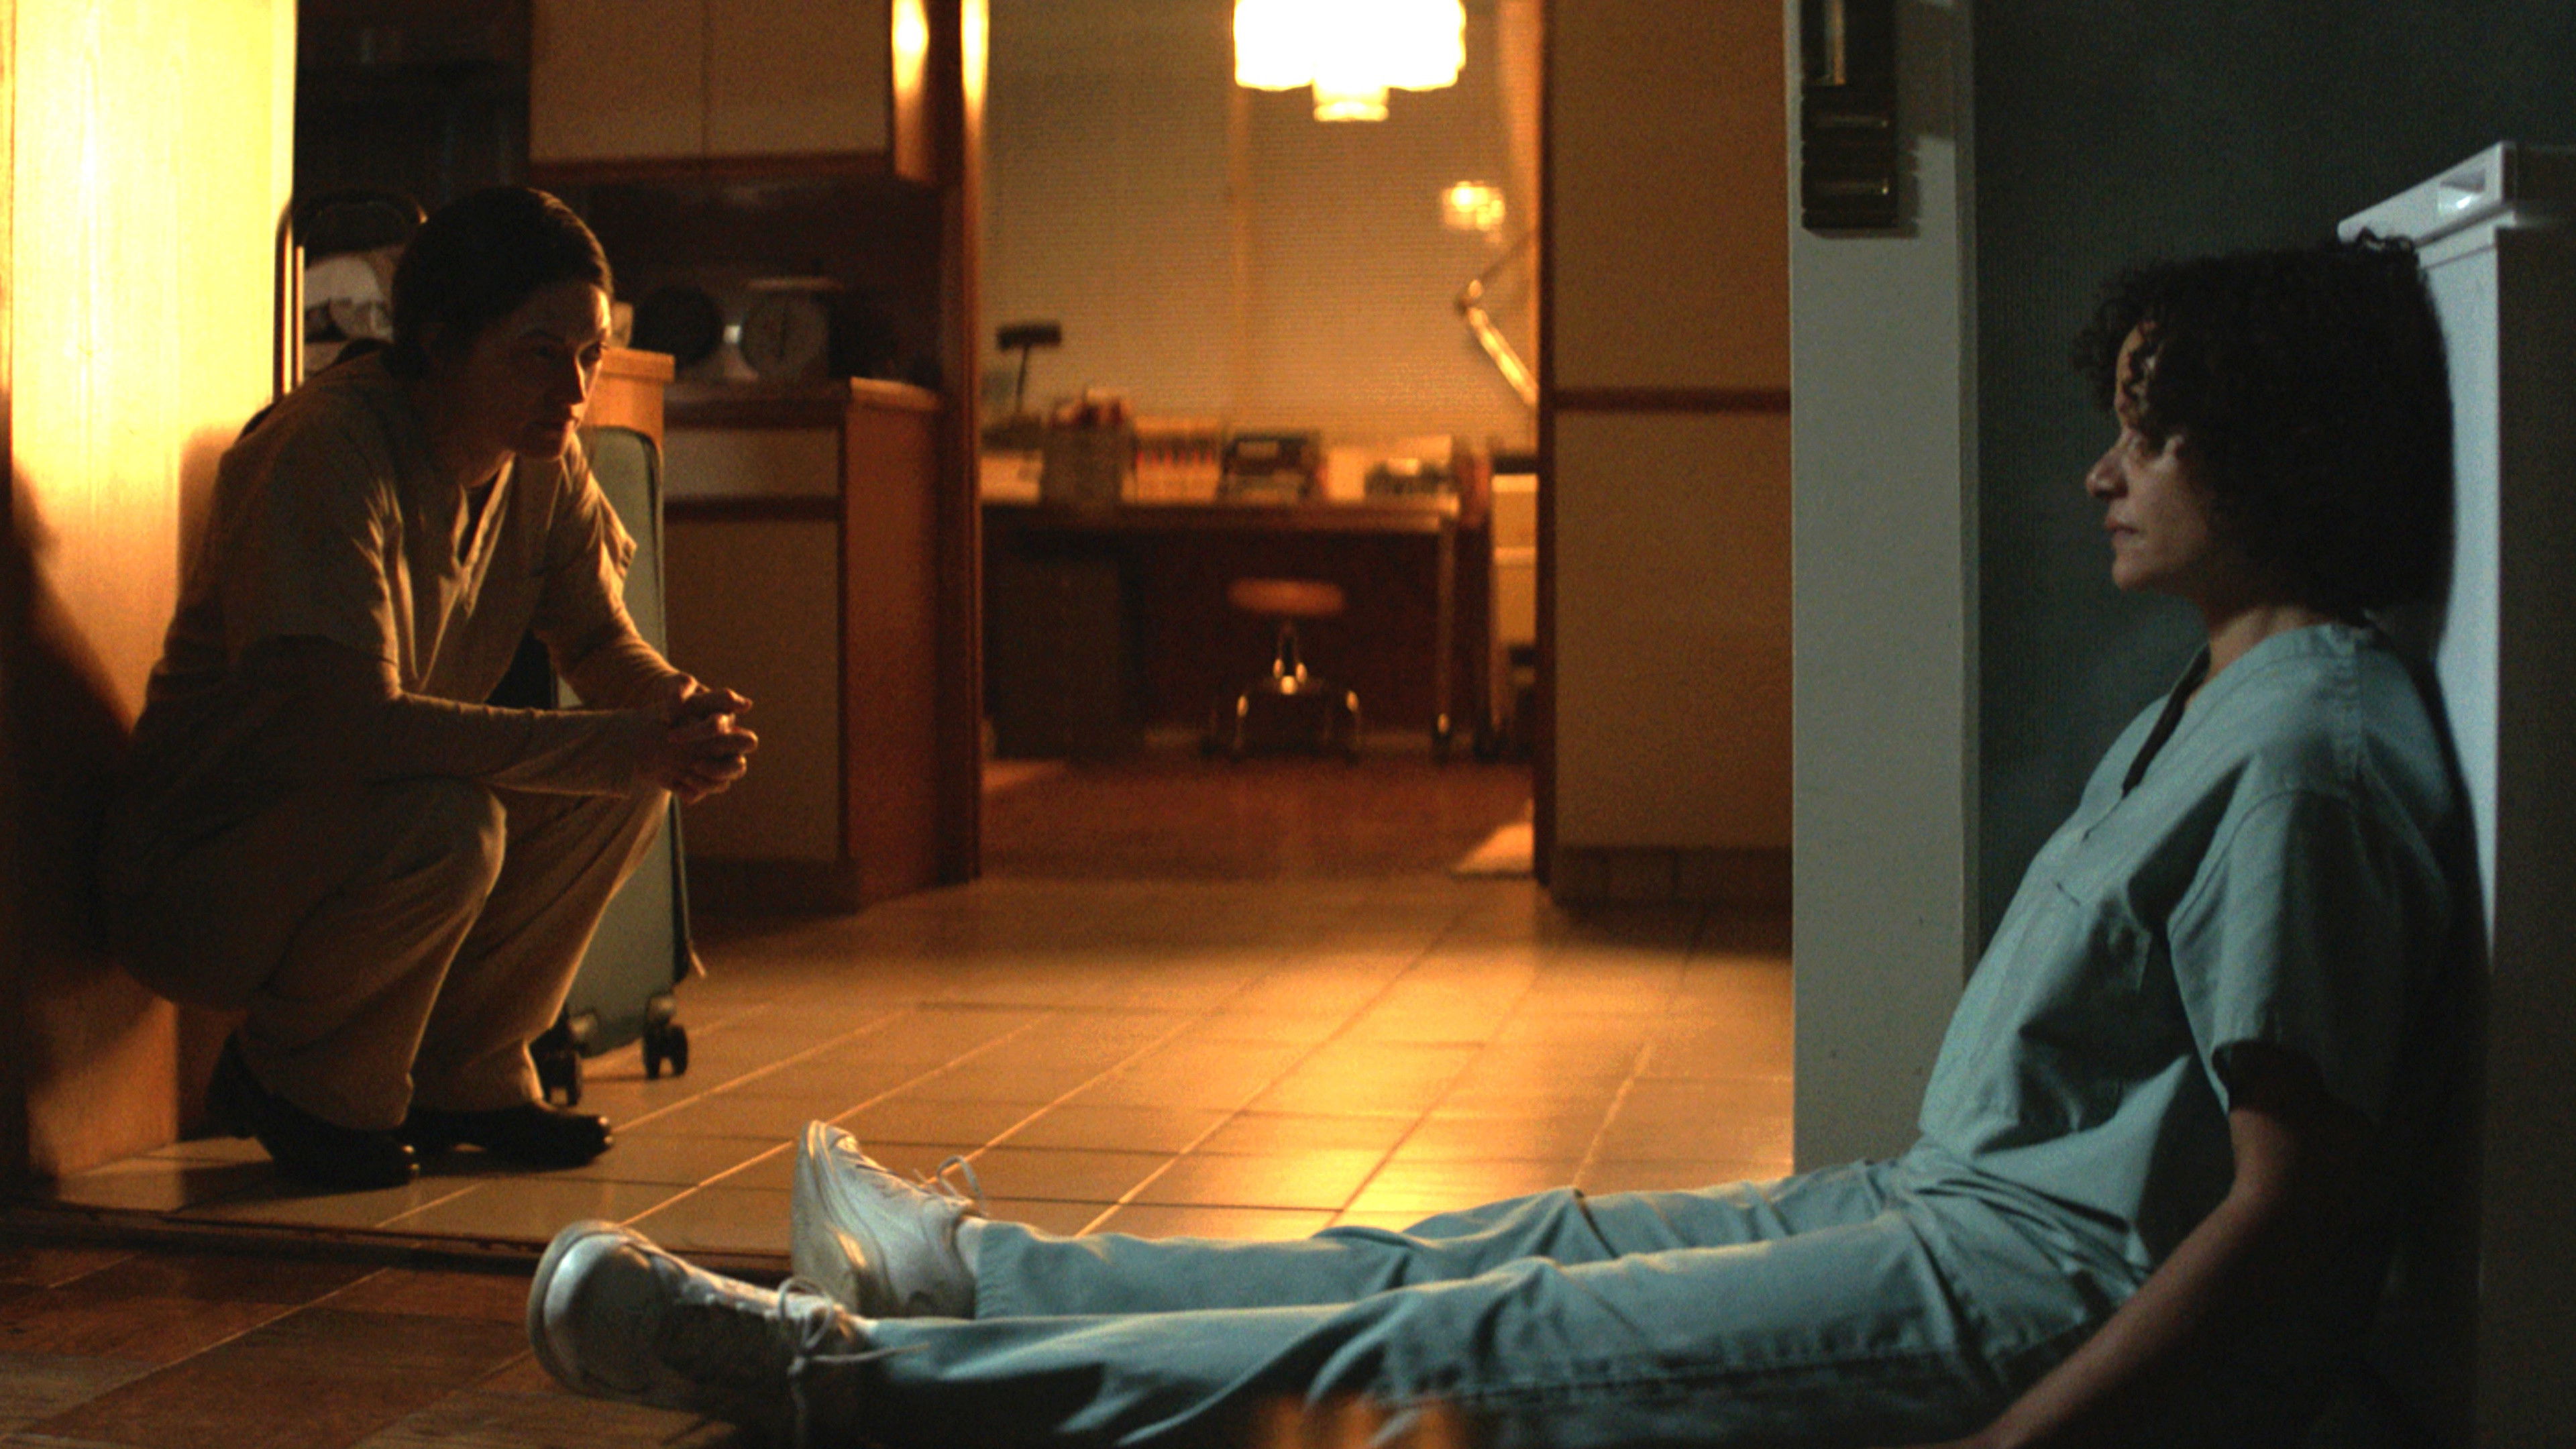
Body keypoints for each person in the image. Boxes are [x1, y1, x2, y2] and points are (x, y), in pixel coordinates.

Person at [521, 235, 2463, 1447]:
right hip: (1948, 1206)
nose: (2103, 472)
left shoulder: (2310, 756)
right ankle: (973, 1280)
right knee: (1498, 1239)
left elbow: (2296, 1214)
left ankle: (848, 1386)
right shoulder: (2228, 691)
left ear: (2276, 450)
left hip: (2032, 1293)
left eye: (2152, 434)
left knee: (1492, 1345)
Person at [101, 187, 759, 1191]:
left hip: (362, 813)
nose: (574, 389)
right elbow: (354, 731)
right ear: (440, 344)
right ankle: (302, 1084)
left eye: (589, 355)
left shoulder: (541, 460)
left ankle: (466, 1074)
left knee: (625, 782)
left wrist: (674, 709)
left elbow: (594, 637)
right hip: (208, 869)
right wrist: (623, 741)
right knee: (452, 823)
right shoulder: (327, 450)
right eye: (539, 354)